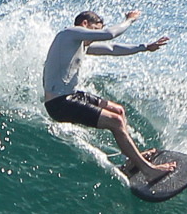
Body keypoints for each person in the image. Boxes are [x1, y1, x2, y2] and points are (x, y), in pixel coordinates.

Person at [42, 9, 175, 179]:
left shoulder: (80, 44)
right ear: (84, 24)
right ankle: (148, 169)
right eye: (95, 30)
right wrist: (129, 20)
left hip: (71, 95)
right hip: (59, 103)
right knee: (115, 121)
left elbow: (112, 48)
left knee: (118, 111)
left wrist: (145, 47)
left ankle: (130, 161)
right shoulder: (69, 34)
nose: (96, 36)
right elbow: (109, 35)